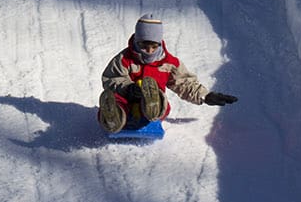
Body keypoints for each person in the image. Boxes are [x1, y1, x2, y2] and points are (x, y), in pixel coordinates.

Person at [97, 14, 237, 133]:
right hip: (127, 99)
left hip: (152, 106)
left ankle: (153, 105)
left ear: (160, 43)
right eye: (143, 46)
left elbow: (184, 83)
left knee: (162, 104)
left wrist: (205, 96)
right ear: (136, 41)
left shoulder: (169, 63)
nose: (149, 51)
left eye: (153, 46)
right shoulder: (124, 59)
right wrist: (127, 88)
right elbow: (112, 78)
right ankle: (113, 116)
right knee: (117, 100)